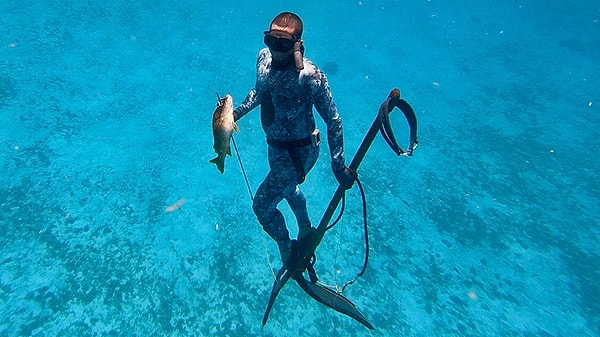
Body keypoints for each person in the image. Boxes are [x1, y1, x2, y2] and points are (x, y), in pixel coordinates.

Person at [233, 12, 355, 263]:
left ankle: (287, 251)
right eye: (271, 40)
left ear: (297, 44)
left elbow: (333, 120)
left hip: (300, 153)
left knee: (262, 206)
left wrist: (338, 166)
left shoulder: (310, 77)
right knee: (288, 189)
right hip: (275, 149)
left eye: (284, 43)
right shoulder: (263, 59)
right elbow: (259, 91)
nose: (276, 50)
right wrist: (234, 115)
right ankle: (306, 228)